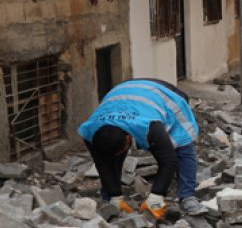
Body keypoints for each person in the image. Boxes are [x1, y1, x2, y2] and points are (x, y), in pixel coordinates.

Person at [78, 79, 207, 220]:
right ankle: (111, 197)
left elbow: (168, 161)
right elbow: (102, 162)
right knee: (109, 156)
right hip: (123, 92)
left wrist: (156, 196)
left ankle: (187, 196)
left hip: (166, 96)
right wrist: (116, 196)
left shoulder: (150, 127)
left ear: (128, 138)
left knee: (182, 147)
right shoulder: (90, 132)